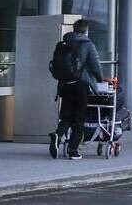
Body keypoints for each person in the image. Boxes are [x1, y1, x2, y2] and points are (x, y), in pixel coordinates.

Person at [50, 18, 104, 160]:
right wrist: (99, 79)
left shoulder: (63, 43)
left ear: (73, 29)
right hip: (80, 85)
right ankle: (73, 150)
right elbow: (95, 65)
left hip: (64, 84)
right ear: (86, 30)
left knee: (66, 115)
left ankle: (58, 135)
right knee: (78, 118)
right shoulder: (87, 44)